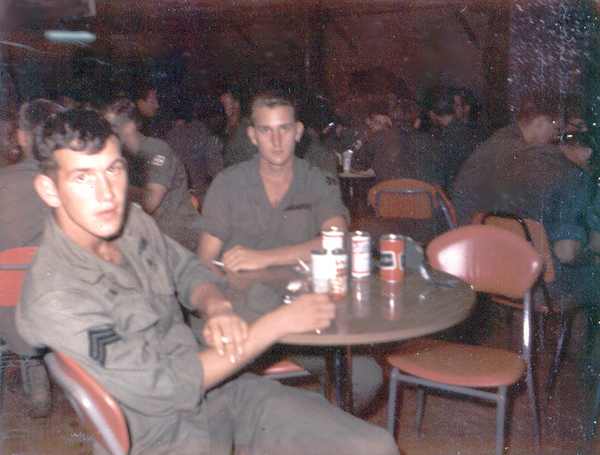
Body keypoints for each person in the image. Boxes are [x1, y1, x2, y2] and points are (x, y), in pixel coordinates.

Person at [15, 107, 400, 455]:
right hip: (166, 436)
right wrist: (277, 324)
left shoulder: (131, 224)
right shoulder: (55, 296)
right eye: (83, 177)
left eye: (113, 169)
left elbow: (187, 270)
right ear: (49, 189)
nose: (107, 194)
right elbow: (167, 387)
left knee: (374, 445)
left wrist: (216, 306)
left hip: (220, 390)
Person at [198, 90, 383, 414]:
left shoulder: (316, 180)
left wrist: (265, 257)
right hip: (242, 316)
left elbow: (336, 238)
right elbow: (204, 261)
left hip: (297, 316)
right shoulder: (228, 184)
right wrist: (222, 310)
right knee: (218, 394)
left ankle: (316, 436)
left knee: (366, 376)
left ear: (298, 132)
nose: (276, 140)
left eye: (284, 128)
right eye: (266, 130)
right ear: (253, 136)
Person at [452, 92, 599, 312]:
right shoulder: (523, 155)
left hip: (485, 250)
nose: (556, 138)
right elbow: (565, 250)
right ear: (540, 123)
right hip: (496, 257)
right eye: (556, 130)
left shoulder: (503, 142)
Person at [0, 99, 58, 418]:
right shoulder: (70, 184)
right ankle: (34, 360)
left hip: (6, 312)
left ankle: (28, 359)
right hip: (60, 305)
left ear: (22, 138)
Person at [105, 98, 203, 252]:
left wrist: (118, 188)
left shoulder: (156, 149)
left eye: (112, 126)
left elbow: (151, 202)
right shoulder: (124, 156)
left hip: (181, 235)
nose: (108, 132)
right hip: (157, 233)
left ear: (129, 127)